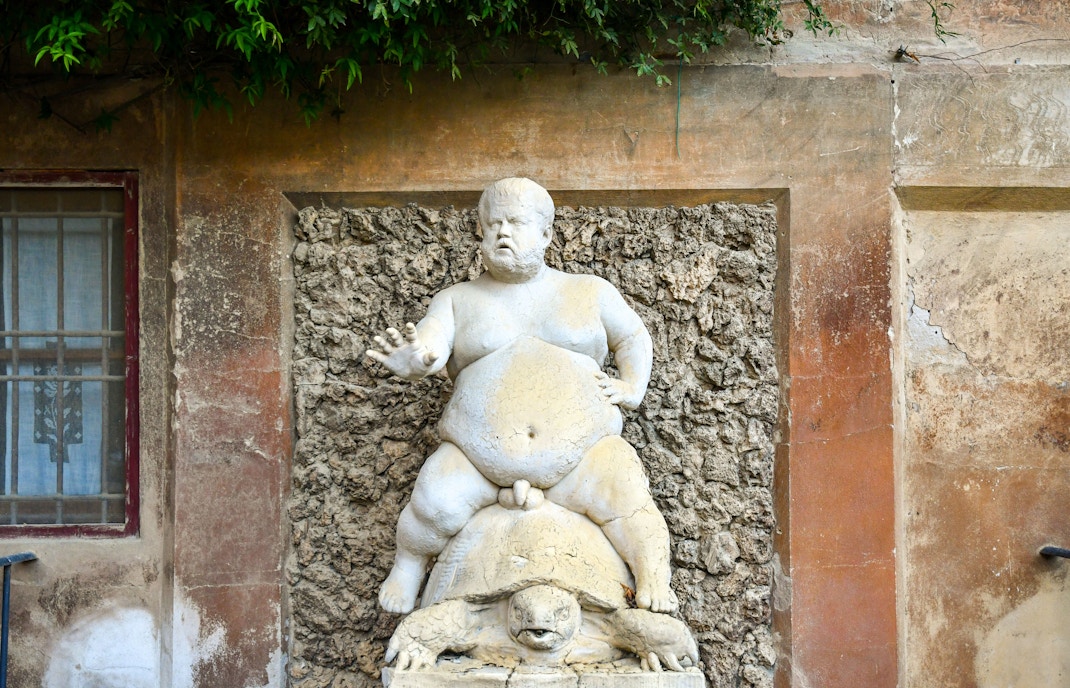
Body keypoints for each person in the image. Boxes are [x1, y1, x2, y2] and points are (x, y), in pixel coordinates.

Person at [368, 178, 676, 615]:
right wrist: (418, 361)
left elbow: (633, 337)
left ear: (547, 234)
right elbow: (431, 345)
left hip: (584, 455)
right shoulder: (458, 299)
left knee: (626, 493)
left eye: (515, 222)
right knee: (433, 499)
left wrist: (632, 387)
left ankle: (653, 576)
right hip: (476, 459)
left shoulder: (589, 291)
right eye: (492, 224)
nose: (502, 233)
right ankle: (408, 565)